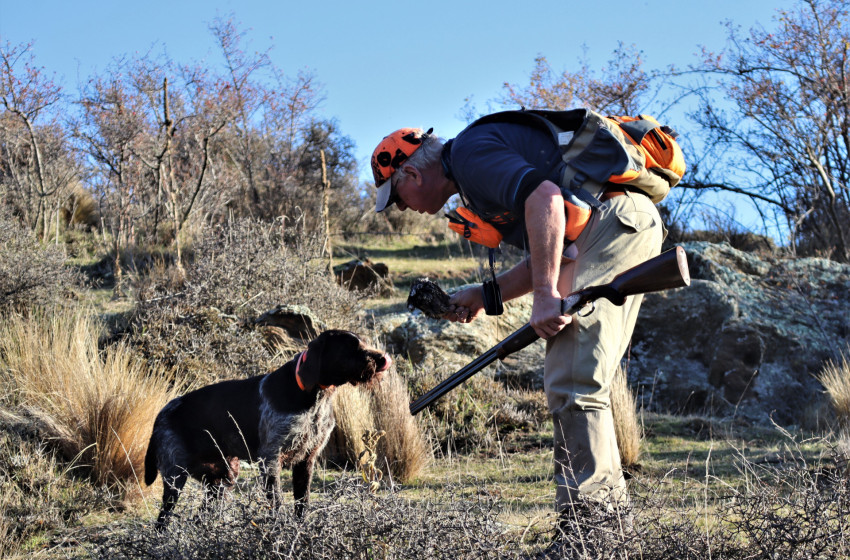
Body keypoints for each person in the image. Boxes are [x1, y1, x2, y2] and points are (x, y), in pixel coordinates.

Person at [370, 118, 664, 520]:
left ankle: (594, 530)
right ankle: (605, 521)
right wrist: (484, 295)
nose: (402, 207)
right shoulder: (472, 176)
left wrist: (545, 296)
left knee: (574, 378)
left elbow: (545, 200)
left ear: (412, 173)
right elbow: (555, 238)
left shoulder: (470, 154)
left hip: (612, 223)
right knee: (580, 378)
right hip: (615, 225)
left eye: (397, 197)